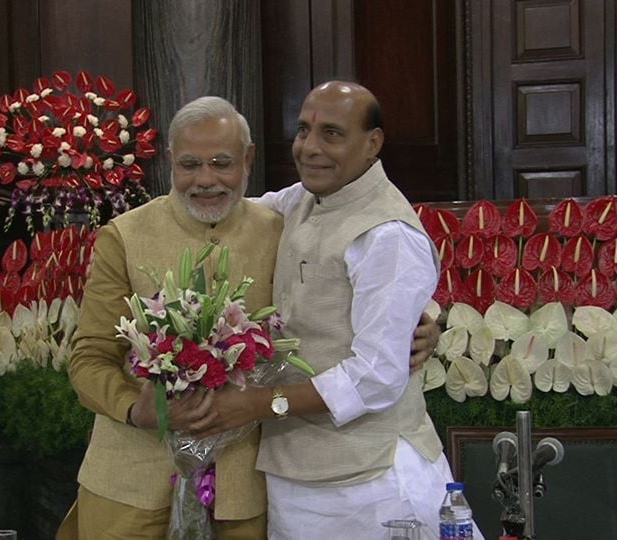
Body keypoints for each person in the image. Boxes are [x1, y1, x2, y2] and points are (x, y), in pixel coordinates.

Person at [58, 96, 438, 539]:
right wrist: (133, 408)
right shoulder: (126, 236)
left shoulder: (275, 223)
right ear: (169, 163)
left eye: (222, 163)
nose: (206, 180)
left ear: (248, 160)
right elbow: (89, 357)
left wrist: (425, 318)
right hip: (131, 477)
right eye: (189, 164)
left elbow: (389, 272)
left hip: (244, 484)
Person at [193, 82, 484, 540]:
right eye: (303, 130)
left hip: (372, 483)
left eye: (331, 134)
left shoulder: (387, 234)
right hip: (295, 474)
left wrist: (255, 404)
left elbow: (375, 377)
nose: (310, 148)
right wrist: (201, 178)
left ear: (373, 144)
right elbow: (229, 214)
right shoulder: (300, 201)